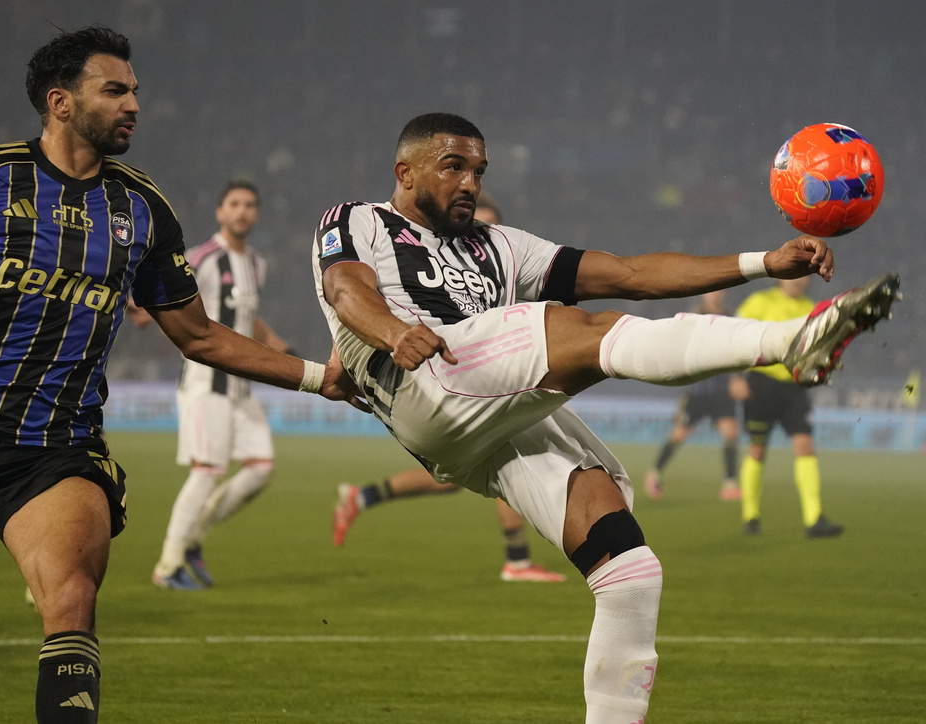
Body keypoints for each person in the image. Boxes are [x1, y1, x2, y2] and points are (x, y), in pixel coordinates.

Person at [311, 112, 897, 722]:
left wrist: (761, 263)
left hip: (480, 426)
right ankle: (789, 342)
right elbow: (346, 290)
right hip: (424, 379)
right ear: (405, 172)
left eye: (479, 171)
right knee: (584, 329)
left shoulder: (500, 246)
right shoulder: (357, 220)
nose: (470, 184)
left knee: (630, 571)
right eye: (453, 167)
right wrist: (393, 331)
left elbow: (630, 275)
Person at [0, 27, 363, 724]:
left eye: (135, 92)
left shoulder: (142, 208)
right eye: (114, 90)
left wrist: (315, 377)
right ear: (60, 102)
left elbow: (197, 334)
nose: (134, 105)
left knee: (71, 600)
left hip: (53, 448)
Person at [333, 194, 565, 582]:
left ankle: (363, 496)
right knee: (512, 457)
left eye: (486, 228)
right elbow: (361, 305)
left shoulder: (505, 271)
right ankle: (518, 561)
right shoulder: (428, 271)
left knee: (452, 480)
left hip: (484, 381)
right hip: (445, 386)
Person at [152, 179, 294, 590]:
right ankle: (167, 565)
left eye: (249, 204)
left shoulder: (257, 263)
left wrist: (283, 348)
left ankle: (193, 538)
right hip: (205, 384)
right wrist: (146, 310)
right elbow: (166, 299)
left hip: (240, 388)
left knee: (260, 469)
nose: (242, 211)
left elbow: (246, 317)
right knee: (206, 473)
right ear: (220, 212)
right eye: (234, 204)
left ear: (256, 213)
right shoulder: (202, 258)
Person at [735, 277, 845, 538]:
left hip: (794, 387)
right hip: (761, 384)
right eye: (794, 274)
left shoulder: (812, 309)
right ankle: (751, 516)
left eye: (804, 274)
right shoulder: (759, 302)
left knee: (805, 445)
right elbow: (734, 338)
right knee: (757, 449)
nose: (798, 280)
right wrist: (735, 376)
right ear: (780, 276)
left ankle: (814, 519)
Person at [643, 290, 747, 501]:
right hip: (698, 390)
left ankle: (730, 483)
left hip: (721, 390)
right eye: (712, 291)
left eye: (719, 290)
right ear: (704, 294)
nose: (715, 295)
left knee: (730, 433)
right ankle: (654, 473)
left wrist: (737, 377)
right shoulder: (693, 317)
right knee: (679, 434)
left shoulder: (731, 317)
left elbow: (739, 349)